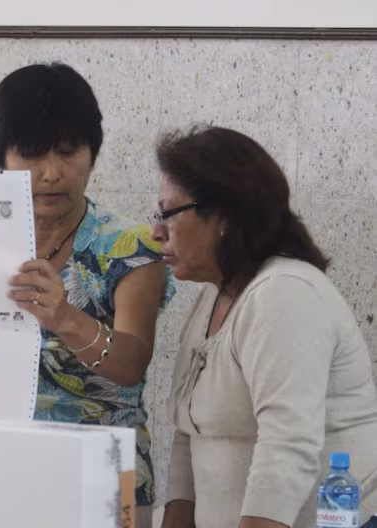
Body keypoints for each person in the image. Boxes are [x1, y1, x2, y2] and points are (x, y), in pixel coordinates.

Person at [152, 125, 377, 528]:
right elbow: (188, 434)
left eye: (169, 213)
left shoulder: (284, 292)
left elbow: (287, 445)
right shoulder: (213, 296)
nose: (156, 231)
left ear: (222, 216)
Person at [0, 62, 175, 528]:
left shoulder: (129, 246)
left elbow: (131, 364)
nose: (52, 173)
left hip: (105, 479)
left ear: (92, 153)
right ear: (2, 157)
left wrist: (65, 317)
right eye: (32, 154)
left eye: (68, 152)